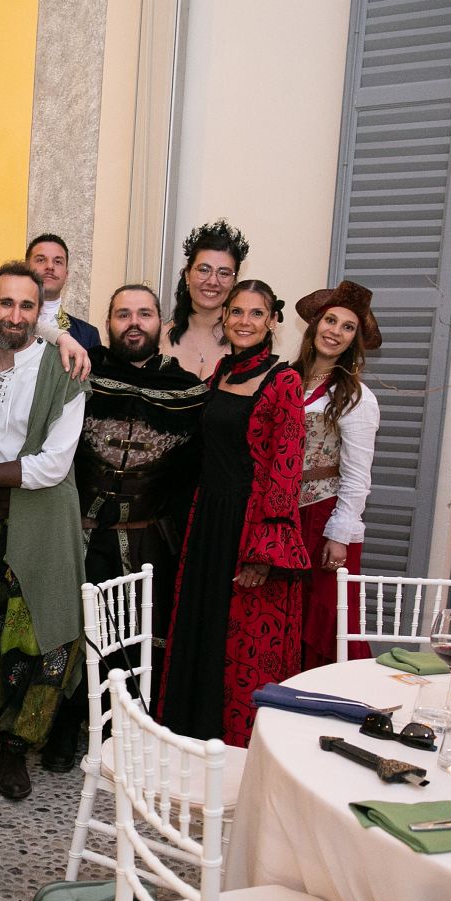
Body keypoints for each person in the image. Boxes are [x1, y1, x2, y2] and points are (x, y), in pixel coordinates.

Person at [41, 282, 210, 771]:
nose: (134, 323)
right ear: (108, 323)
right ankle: (62, 728)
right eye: (122, 314)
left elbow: (194, 473)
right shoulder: (80, 371)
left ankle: (124, 732)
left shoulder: (187, 390)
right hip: (79, 532)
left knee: (135, 635)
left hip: (148, 537)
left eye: (144, 313)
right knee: (73, 632)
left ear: (161, 323)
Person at [0, 262, 87, 800]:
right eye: (5, 303)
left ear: (40, 311)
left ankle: (15, 746)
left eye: (27, 305)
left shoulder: (65, 368)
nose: (15, 315)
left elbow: (53, 465)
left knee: (37, 638)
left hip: (41, 519)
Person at [160, 279, 309, 747]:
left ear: (273, 322)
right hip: (207, 519)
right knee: (202, 629)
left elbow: (287, 467)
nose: (245, 322)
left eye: (256, 313)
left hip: (249, 526)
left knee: (243, 642)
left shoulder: (285, 381)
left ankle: (237, 748)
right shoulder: (222, 370)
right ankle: (191, 736)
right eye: (237, 312)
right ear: (224, 317)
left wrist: (264, 550)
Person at [293, 281, 383, 669]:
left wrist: (339, 534)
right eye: (331, 320)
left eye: (348, 327)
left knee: (326, 621)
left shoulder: (356, 397)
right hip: (283, 516)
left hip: (323, 518)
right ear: (315, 325)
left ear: (353, 341)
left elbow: (358, 475)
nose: (335, 331)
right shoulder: (286, 380)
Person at [162, 219, 251, 381]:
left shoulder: (244, 344)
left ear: (234, 281)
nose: (212, 281)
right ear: (187, 276)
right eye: (204, 270)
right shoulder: (159, 340)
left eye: (224, 273)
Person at [25, 233, 101, 353]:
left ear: (66, 274)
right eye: (41, 260)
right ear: (26, 269)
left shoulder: (88, 335)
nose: (50, 266)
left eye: (58, 261)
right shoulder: (4, 323)